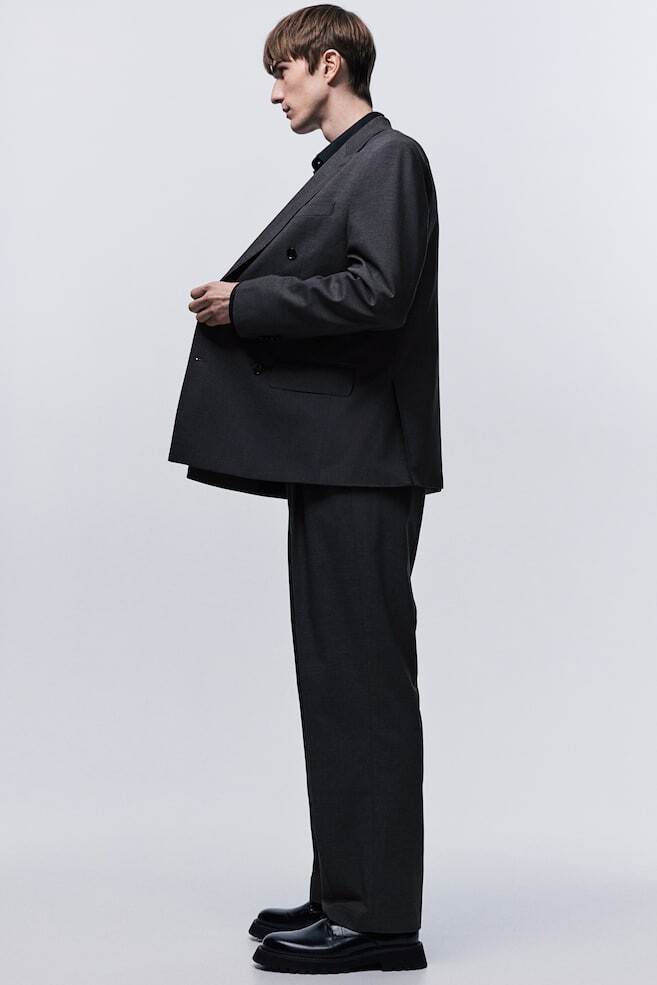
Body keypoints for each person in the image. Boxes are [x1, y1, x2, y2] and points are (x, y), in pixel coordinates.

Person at [167, 3, 442, 974]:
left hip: (367, 461)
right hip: (335, 459)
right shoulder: (347, 166)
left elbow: (381, 291)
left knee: (363, 686)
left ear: (330, 64)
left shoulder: (389, 158)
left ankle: (379, 922)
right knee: (334, 683)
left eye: (283, 70)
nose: (275, 90)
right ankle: (345, 890)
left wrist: (251, 302)